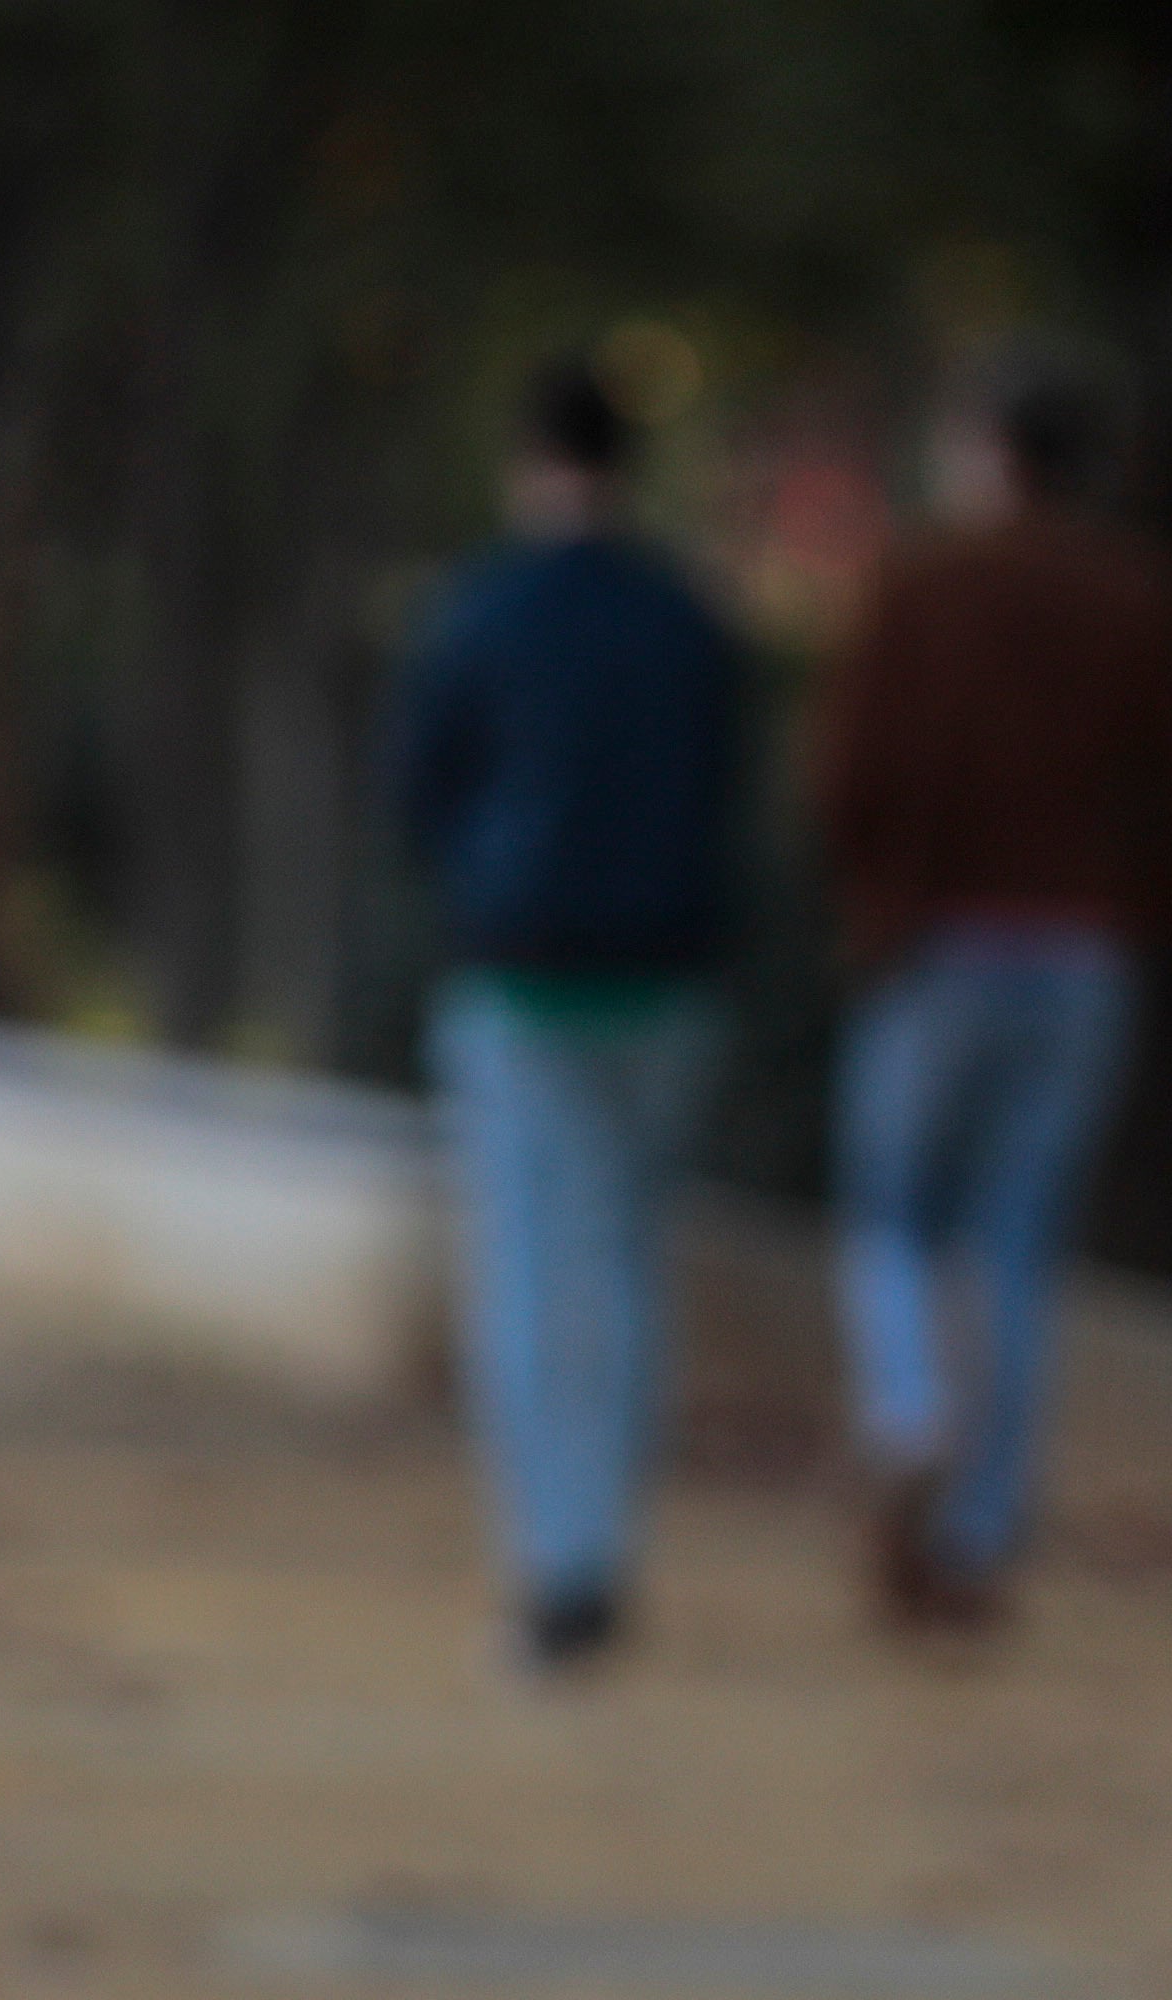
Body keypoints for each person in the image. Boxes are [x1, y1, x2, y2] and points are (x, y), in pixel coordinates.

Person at [809, 356, 1172, 1633]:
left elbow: (845, 774)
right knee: (1017, 1246)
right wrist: (1143, 912)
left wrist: (873, 896)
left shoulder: (922, 588)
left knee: (888, 1212)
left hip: (940, 948)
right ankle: (981, 1532)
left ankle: (906, 1401)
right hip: (1082, 955)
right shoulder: (1139, 598)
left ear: (991, 455)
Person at [380, 351, 747, 1674]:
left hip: (523, 979)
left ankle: (558, 1567)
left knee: (531, 1280)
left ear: (525, 459)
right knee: (632, 1269)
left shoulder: (480, 612)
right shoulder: (688, 616)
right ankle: (612, 1539)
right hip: (667, 984)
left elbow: (418, 792)